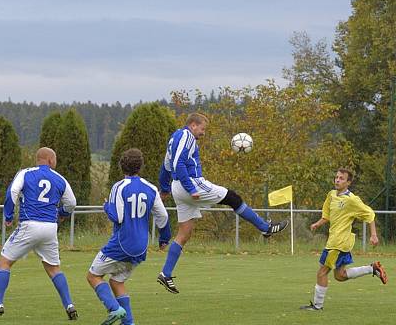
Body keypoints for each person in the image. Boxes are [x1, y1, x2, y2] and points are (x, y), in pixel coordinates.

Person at [157, 113, 288, 293]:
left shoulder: (174, 138)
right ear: (193, 125)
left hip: (177, 187)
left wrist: (164, 188)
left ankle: (165, 273)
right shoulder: (187, 136)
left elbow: (166, 166)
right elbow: (178, 163)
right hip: (191, 183)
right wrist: (192, 188)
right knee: (233, 197)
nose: (203, 133)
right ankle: (265, 227)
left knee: (184, 233)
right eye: (202, 129)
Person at [0, 147, 78, 320]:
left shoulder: (25, 173)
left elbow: (12, 192)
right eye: (55, 160)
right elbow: (71, 203)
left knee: (4, 262)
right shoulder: (60, 179)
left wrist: (9, 215)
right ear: (49, 160)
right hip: (49, 228)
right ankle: (69, 305)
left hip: (29, 224)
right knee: (54, 268)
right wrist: (61, 214)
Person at [87, 148, 171, 325]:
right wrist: (164, 238)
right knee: (117, 281)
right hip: (141, 246)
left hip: (122, 243)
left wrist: (106, 206)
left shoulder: (119, 187)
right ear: (140, 166)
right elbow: (163, 217)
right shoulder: (151, 188)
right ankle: (128, 323)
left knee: (93, 276)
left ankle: (114, 309)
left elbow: (117, 216)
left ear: (121, 166)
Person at [300, 168, 387, 311]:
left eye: (341, 178)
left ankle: (317, 306)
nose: (337, 180)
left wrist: (373, 234)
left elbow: (370, 214)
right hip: (337, 242)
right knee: (340, 276)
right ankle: (372, 268)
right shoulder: (331, 195)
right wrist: (317, 224)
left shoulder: (351, 200)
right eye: (336, 177)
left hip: (338, 243)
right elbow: (327, 215)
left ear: (348, 182)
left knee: (322, 272)